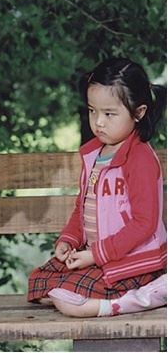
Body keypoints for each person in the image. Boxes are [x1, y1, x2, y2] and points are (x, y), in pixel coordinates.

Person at [28, 57, 167, 317]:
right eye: (93, 111)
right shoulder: (94, 155)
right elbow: (82, 208)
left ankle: (132, 299)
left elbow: (144, 223)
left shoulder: (140, 159)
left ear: (139, 112)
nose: (99, 122)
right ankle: (90, 292)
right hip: (101, 256)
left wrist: (94, 255)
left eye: (109, 114)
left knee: (67, 302)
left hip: (136, 261)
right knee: (40, 283)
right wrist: (69, 240)